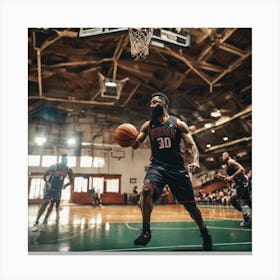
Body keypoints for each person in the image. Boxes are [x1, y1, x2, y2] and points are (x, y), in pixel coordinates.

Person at [131, 92, 212, 250]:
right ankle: (146, 231)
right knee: (146, 190)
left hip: (177, 169)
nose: (152, 105)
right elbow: (136, 142)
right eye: (151, 103)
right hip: (157, 167)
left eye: (156, 102)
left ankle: (204, 232)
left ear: (164, 104)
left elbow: (192, 146)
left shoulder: (178, 123)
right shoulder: (148, 125)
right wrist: (129, 141)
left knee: (191, 207)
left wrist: (195, 161)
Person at [31, 153, 74, 232]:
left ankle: (46, 218)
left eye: (66, 159)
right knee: (46, 201)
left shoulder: (68, 170)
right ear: (61, 160)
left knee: (53, 203)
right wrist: (48, 183)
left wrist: (65, 186)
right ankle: (36, 222)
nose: (65, 161)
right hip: (49, 186)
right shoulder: (54, 167)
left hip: (58, 189)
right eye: (64, 159)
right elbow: (44, 176)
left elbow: (72, 181)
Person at [215, 152, 252, 227]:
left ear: (229, 155)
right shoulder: (227, 166)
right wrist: (221, 177)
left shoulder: (230, 161)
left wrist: (232, 177)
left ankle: (246, 216)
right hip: (240, 183)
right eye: (222, 155)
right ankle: (247, 218)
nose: (223, 156)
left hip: (242, 183)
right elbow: (228, 179)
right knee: (248, 201)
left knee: (232, 200)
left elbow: (242, 169)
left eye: (224, 154)